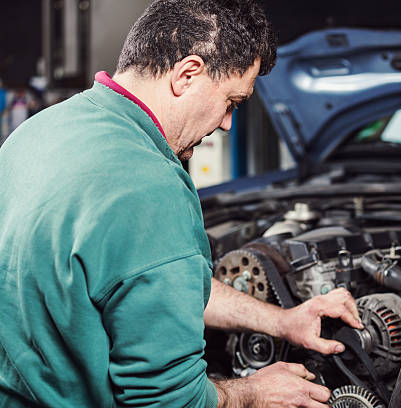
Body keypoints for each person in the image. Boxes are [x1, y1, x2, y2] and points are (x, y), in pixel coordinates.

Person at [0, 1, 363, 407]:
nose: (227, 123)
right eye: (232, 101)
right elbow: (168, 400)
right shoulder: (152, 188)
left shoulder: (40, 130)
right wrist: (253, 392)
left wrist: (282, 321)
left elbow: (140, 284)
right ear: (187, 74)